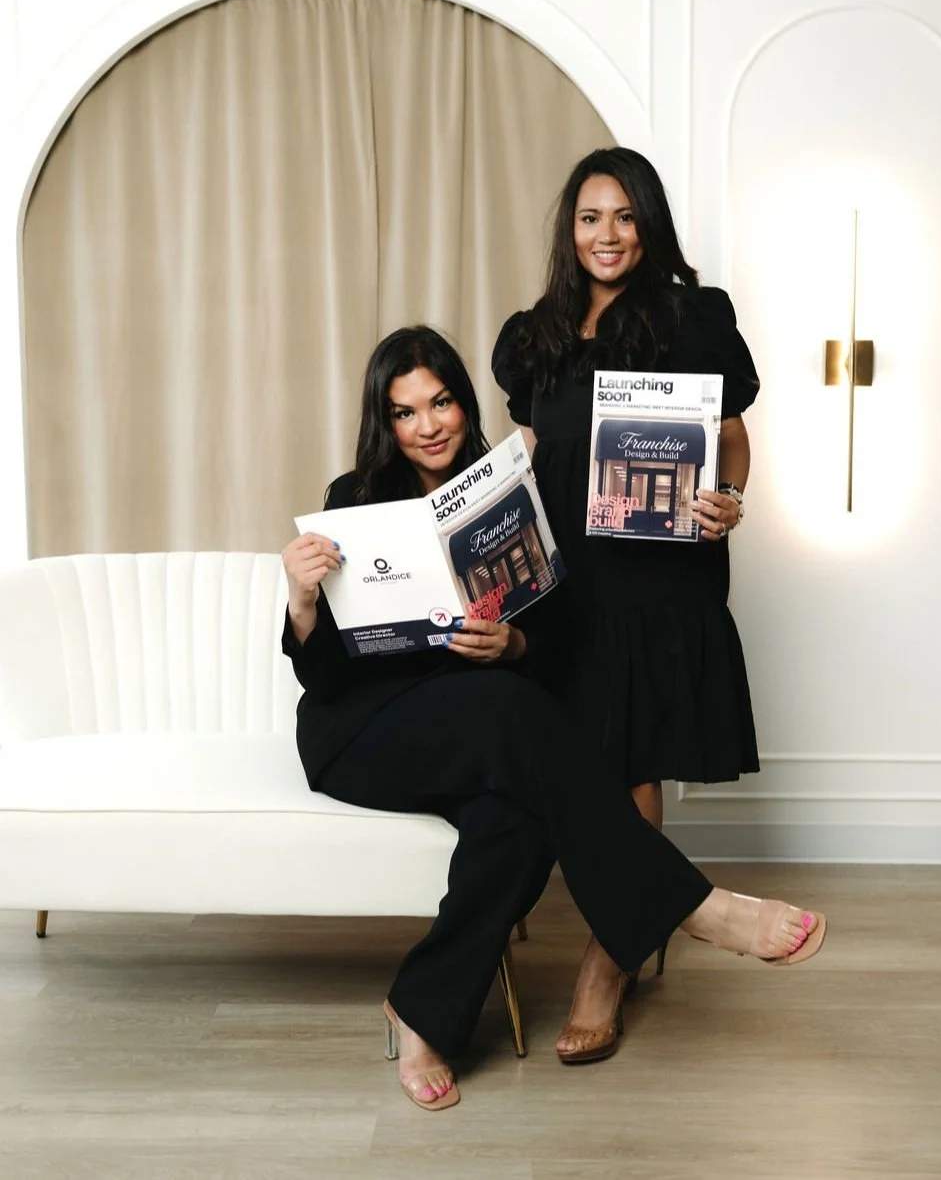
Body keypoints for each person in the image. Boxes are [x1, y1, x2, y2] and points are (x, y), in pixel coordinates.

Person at [282, 324, 825, 1111]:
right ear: (384, 422)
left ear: (465, 405)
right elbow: (324, 673)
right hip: (363, 732)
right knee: (509, 704)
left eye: (441, 403)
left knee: (520, 822)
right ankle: (690, 903)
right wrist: (301, 601)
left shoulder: (509, 494)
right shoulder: (351, 501)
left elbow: (560, 639)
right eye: (405, 412)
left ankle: (419, 1009)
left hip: (478, 738)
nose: (429, 425)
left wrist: (514, 640)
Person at [492, 147, 762, 1061]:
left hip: (654, 579)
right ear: (569, 231)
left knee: (630, 750)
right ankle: (645, 918)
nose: (606, 235)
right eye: (588, 218)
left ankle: (608, 958)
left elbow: (729, 438)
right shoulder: (534, 334)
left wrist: (727, 501)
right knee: (585, 753)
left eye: (623, 217)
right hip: (563, 582)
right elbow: (526, 442)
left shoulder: (694, 317)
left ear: (648, 224)